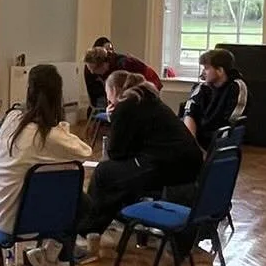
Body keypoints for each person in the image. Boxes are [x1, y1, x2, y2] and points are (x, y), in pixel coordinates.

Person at [0, 62, 93, 266]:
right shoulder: (50, 136)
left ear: (29, 91)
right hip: (22, 220)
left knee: (69, 200)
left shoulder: (12, 119)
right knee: (81, 204)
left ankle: (50, 259)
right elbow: (84, 152)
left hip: (0, 206)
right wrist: (61, 125)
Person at [80, 70, 202, 236]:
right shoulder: (149, 100)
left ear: (113, 90)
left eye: (107, 93)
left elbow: (115, 152)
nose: (108, 99)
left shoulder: (126, 106)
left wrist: (113, 119)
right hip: (186, 165)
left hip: (167, 168)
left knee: (104, 172)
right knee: (122, 173)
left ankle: (90, 227)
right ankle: (116, 217)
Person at [183, 48, 248, 149]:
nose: (203, 73)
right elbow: (190, 113)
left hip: (219, 142)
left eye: (206, 68)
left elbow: (231, 123)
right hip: (197, 141)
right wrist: (192, 144)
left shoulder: (237, 88)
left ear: (220, 70)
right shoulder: (202, 87)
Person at [83, 38, 161, 112]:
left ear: (103, 64)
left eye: (94, 69)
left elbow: (127, 90)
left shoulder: (123, 65)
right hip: (136, 83)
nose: (92, 73)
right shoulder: (107, 69)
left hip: (150, 81)